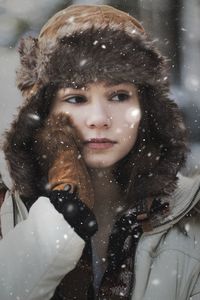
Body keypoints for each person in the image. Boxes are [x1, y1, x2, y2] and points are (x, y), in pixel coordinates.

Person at [0, 4, 200, 300]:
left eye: (119, 95)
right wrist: (61, 216)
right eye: (76, 97)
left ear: (146, 108)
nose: (99, 118)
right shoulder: (4, 209)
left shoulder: (191, 219)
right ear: (43, 110)